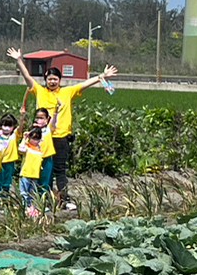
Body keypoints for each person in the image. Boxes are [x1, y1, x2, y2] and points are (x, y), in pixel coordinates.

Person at [9, 49, 118, 211]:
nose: (52, 81)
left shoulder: (67, 92)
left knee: (60, 170)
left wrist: (101, 76)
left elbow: (84, 84)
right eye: (50, 79)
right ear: (46, 80)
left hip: (61, 138)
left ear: (60, 80)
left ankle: (63, 200)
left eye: (55, 79)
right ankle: (40, 200)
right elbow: (28, 78)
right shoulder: (40, 91)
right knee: (42, 170)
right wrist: (19, 60)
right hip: (42, 138)